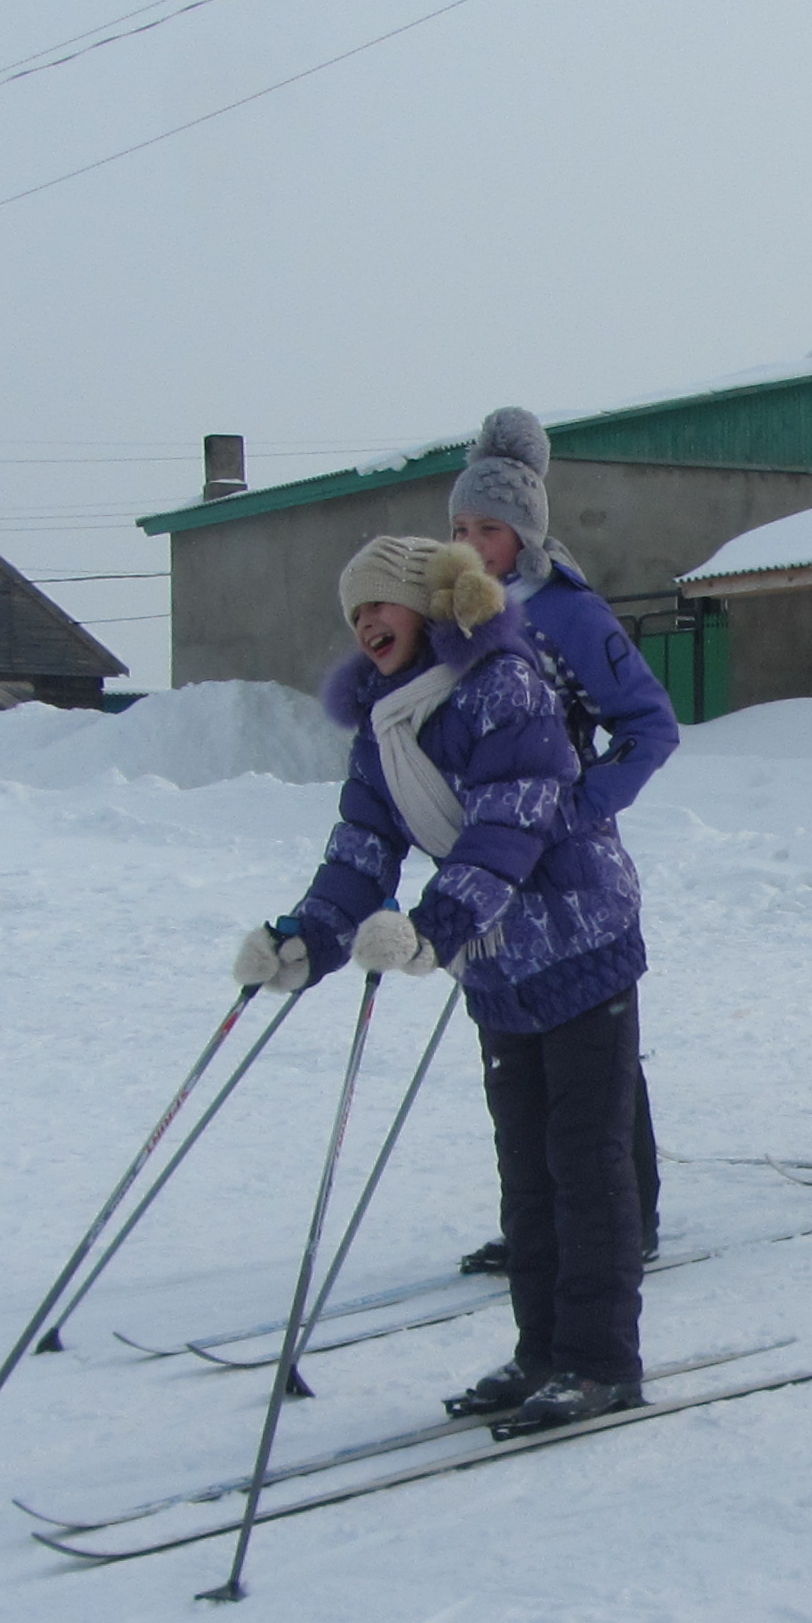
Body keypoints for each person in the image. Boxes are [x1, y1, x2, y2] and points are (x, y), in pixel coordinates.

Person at [240, 533, 651, 1431]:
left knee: (586, 1165)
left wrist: (435, 926)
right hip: (498, 962)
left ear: (429, 607)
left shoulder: (507, 682)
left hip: (579, 942)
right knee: (527, 1172)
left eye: (378, 604)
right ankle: (541, 1352)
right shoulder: (389, 717)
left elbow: (515, 816)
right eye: (353, 613)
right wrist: (308, 941)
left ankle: (599, 1361)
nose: (364, 624)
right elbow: (361, 847)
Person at [442, 406, 678, 1265]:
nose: (473, 543)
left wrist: (576, 808)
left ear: (527, 532)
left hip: (574, 877)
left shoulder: (567, 611)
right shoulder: (456, 615)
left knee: (592, 1060)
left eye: (491, 529)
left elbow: (650, 725)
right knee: (530, 1066)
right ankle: (540, 1229)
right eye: (461, 527)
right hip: (496, 879)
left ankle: (626, 1222)